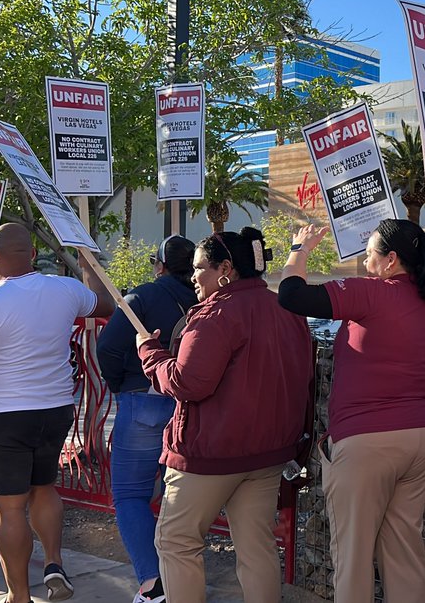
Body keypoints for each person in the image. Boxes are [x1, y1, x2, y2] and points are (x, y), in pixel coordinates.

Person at [276, 218, 425, 602]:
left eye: (369, 252)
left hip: (364, 442)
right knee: (403, 552)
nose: (363, 260)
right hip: (418, 440)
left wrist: (300, 250)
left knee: (352, 556)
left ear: (390, 260)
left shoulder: (371, 294)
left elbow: (291, 295)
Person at [0, 223, 115, 603]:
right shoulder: (65, 290)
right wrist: (87, 263)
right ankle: (53, 564)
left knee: (9, 506)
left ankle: (18, 596)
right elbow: (106, 305)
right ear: (32, 254)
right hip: (55, 410)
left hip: (6, 416)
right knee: (44, 488)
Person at [135, 227, 311, 603]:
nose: (193, 276)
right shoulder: (286, 309)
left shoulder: (217, 313)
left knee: (177, 542)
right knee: (257, 548)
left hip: (209, 454)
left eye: (199, 268)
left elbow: (187, 382)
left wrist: (150, 353)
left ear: (225, 268)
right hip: (268, 453)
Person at [97, 234, 197, 603]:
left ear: (160, 265)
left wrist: (121, 383)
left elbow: (107, 346)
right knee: (184, 497)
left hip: (143, 401)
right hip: (190, 406)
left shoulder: (141, 297)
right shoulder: (208, 298)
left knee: (131, 495)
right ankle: (182, 580)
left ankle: (153, 585)